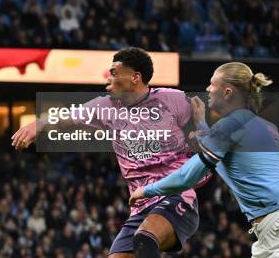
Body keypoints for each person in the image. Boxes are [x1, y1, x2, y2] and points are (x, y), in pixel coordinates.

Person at [12, 47, 203, 257]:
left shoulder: (173, 100)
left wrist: (202, 130)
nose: (107, 77)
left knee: (145, 237)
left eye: (113, 72)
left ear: (135, 77)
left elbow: (209, 131)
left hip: (176, 197)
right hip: (141, 208)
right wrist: (39, 123)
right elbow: (67, 116)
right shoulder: (105, 107)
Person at [130, 62, 279, 257]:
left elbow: (187, 177)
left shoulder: (230, 126)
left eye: (212, 84)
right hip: (275, 228)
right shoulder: (267, 127)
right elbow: (229, 152)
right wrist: (202, 124)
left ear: (227, 92)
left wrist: (145, 190)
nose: (207, 89)